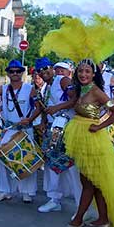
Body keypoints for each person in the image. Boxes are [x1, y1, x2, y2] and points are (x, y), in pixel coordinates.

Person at [39, 14, 114, 227]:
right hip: (81, 136)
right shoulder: (82, 89)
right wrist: (55, 108)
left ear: (94, 74)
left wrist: (99, 127)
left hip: (93, 140)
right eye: (80, 70)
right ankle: (102, 219)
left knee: (89, 182)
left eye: (87, 71)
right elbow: (73, 102)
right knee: (94, 182)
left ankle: (78, 218)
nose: (83, 74)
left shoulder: (97, 91)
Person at [0, 60, 41, 203]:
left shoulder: (29, 88)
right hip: (9, 129)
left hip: (25, 130)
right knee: (3, 161)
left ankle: (27, 192)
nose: (15, 74)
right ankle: (4, 190)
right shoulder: (4, 88)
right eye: (12, 71)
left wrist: (30, 119)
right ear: (7, 73)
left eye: (17, 71)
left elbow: (39, 107)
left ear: (22, 72)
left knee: (26, 159)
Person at [35, 57, 82, 214]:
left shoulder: (62, 80)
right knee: (51, 166)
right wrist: (42, 121)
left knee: (71, 167)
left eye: (46, 68)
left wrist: (57, 108)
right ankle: (54, 199)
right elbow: (46, 107)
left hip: (67, 130)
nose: (44, 72)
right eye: (40, 70)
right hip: (52, 131)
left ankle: (81, 205)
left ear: (52, 69)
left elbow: (76, 99)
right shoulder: (46, 87)